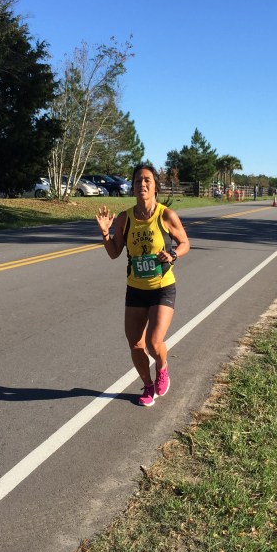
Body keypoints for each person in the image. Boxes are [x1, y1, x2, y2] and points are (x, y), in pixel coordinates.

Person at [95, 164, 190, 407]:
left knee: (154, 343)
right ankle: (148, 385)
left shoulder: (166, 215)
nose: (143, 184)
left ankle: (162, 367)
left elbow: (184, 243)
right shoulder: (125, 218)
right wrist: (105, 234)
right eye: (138, 181)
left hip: (162, 287)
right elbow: (114, 253)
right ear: (133, 187)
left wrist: (173, 255)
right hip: (136, 289)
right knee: (135, 344)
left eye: (147, 180)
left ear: (155, 185)